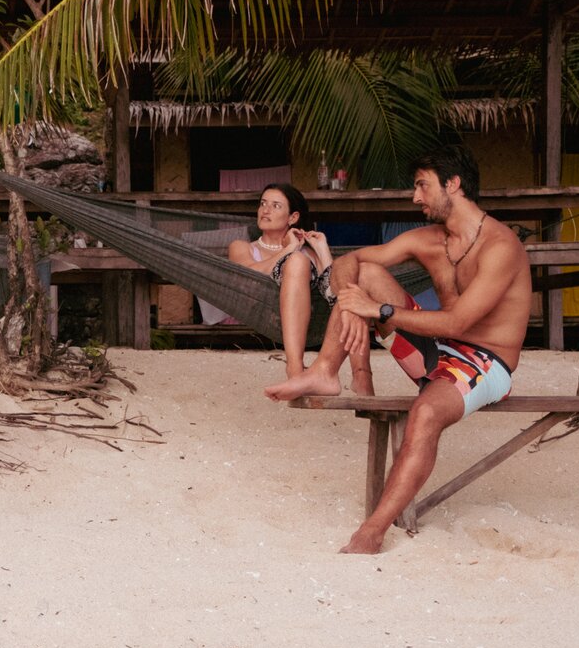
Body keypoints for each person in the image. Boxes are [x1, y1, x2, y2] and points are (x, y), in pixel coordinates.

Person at [266, 147, 531, 553]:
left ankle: (371, 533)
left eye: (422, 185)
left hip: (483, 362)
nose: (415, 197)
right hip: (437, 350)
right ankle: (325, 370)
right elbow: (348, 261)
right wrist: (351, 305)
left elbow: (458, 323)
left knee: (424, 412)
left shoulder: (500, 247)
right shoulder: (428, 240)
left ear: (453, 184)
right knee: (365, 273)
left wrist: (377, 310)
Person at [226, 183, 372, 392]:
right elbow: (250, 276)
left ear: (293, 218)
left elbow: (335, 294)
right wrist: (289, 250)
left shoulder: (308, 253)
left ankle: (361, 375)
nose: (265, 210)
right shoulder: (241, 247)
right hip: (266, 311)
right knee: (297, 261)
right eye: (263, 204)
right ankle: (295, 370)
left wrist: (322, 252)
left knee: (355, 279)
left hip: (314, 316)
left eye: (275, 206)